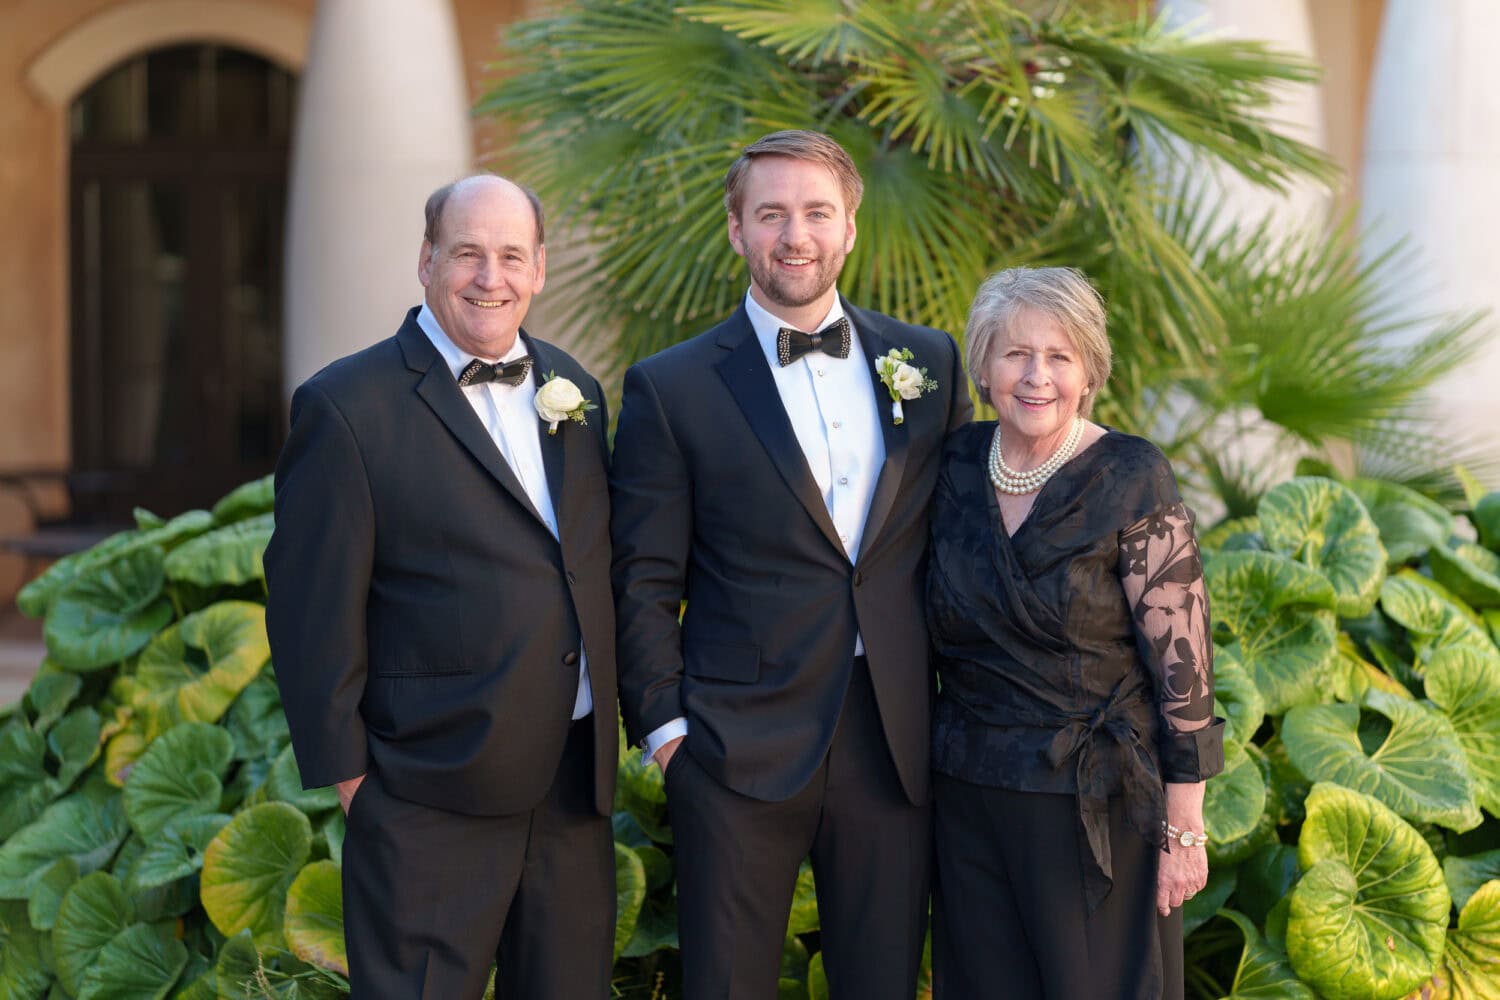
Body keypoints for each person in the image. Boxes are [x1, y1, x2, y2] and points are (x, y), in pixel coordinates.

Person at [610, 129, 973, 999]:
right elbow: (643, 578)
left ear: (851, 227)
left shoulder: (928, 362)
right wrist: (669, 740)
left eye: (816, 212)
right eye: (771, 214)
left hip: (892, 741)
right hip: (733, 749)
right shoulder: (672, 386)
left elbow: (965, 546)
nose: (795, 236)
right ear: (736, 231)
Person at [264, 174, 617, 999]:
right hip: (427, 796)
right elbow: (310, 611)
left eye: (509, 257)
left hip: (570, 791)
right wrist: (360, 789)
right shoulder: (345, 407)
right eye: (467, 254)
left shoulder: (577, 393)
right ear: (426, 261)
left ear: (538, 270)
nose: (489, 277)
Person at [926, 266, 1224, 999]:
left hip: (1096, 801)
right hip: (968, 795)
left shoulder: (1132, 473)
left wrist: (1185, 827)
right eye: (1015, 354)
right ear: (984, 366)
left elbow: (1183, 660)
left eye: (1059, 356)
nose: (1036, 377)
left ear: (1088, 370)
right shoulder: (955, 463)